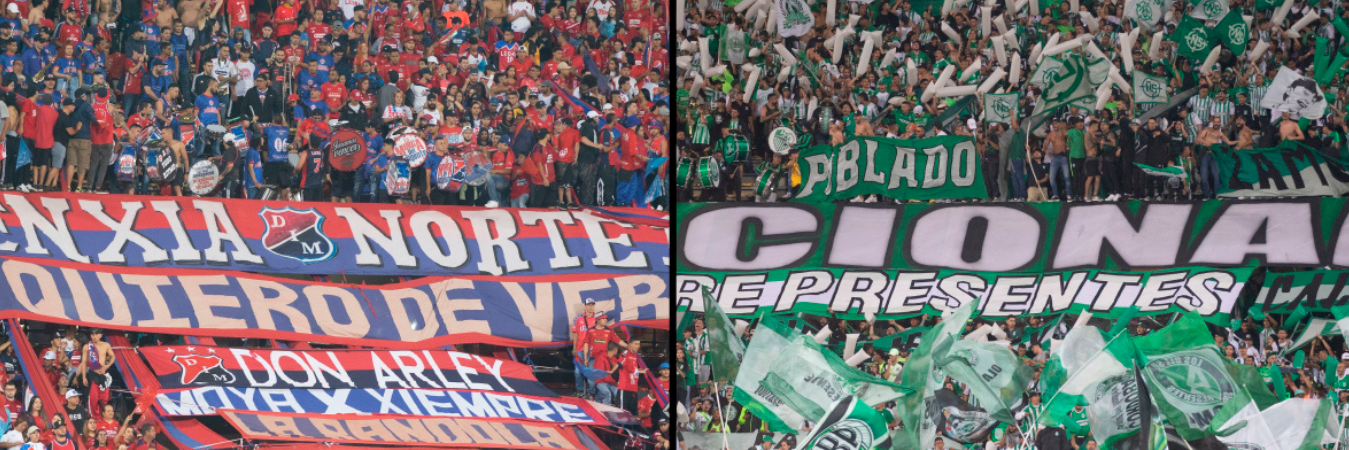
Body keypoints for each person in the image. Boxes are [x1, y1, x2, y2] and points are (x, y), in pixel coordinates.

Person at [79, 329, 113, 416]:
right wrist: (84, 377)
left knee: (104, 399)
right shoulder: (87, 346)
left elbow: (113, 357)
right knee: (93, 399)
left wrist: (107, 366)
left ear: (100, 335)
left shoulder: (106, 345)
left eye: (95, 335)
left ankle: (103, 417)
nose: (93, 337)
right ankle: (95, 417)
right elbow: (83, 362)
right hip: (92, 374)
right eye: (92, 335)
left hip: (103, 374)